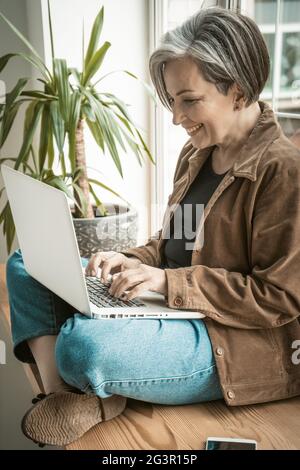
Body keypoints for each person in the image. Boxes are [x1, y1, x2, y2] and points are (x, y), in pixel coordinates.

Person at [6, 6, 300, 447]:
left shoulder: (284, 171)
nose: (177, 117)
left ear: (237, 90)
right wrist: (129, 260)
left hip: (231, 340)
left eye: (189, 100)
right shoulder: (198, 153)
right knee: (24, 262)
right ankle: (65, 395)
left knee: (82, 346)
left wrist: (166, 283)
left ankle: (94, 390)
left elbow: (278, 297)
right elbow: (173, 244)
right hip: (174, 308)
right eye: (172, 100)